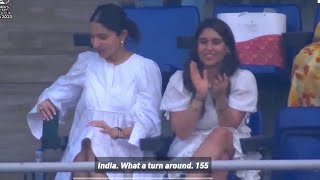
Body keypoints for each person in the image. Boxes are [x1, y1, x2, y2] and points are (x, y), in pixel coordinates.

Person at [27, 3, 162, 180]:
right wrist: (46, 101)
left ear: (122, 36)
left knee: (94, 147)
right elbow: (60, 91)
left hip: (124, 151)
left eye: (102, 37)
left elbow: (150, 124)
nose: (95, 44)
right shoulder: (87, 63)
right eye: (92, 37)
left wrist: (117, 132)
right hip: (83, 146)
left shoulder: (145, 68)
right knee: (91, 139)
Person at [161, 18, 260, 180]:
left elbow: (229, 126)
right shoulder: (179, 79)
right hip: (189, 144)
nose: (209, 48)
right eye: (203, 42)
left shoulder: (243, 78)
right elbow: (182, 132)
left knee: (221, 133)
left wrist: (220, 97)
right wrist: (200, 95)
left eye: (216, 42)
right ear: (196, 46)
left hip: (231, 141)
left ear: (227, 47)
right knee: (220, 161)